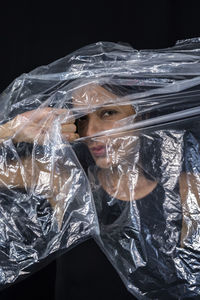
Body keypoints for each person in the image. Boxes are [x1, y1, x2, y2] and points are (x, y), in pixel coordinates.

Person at [0, 81, 200, 299]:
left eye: (108, 113)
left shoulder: (186, 189)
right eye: (82, 118)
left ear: (141, 114)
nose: (91, 131)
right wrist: (12, 130)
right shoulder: (65, 182)